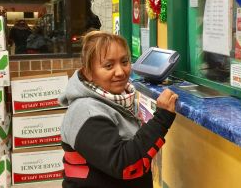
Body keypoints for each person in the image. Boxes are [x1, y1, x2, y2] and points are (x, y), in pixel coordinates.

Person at [59, 31, 178, 188]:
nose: (121, 72)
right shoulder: (86, 111)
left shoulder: (116, 100)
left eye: (124, 62)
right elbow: (122, 164)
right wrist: (161, 119)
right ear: (88, 72)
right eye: (109, 66)